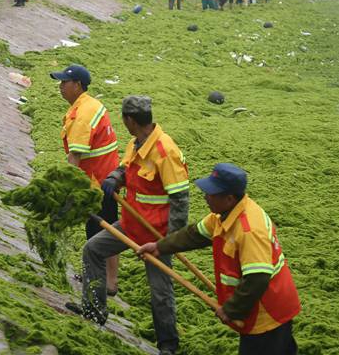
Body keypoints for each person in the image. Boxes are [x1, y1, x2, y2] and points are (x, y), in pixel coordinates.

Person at [136, 163, 302, 355]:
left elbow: (258, 278)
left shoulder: (249, 230)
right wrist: (159, 247)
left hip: (268, 313)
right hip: (255, 308)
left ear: (229, 198)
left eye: (211, 193)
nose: (205, 197)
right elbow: (194, 234)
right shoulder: (222, 216)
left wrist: (231, 309)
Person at [73, 95, 189, 355]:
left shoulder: (165, 151)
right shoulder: (136, 144)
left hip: (157, 234)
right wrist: (115, 178)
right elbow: (126, 169)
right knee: (93, 249)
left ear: (130, 121)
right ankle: (94, 311)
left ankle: (168, 345)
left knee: (160, 290)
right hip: (131, 223)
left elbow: (181, 200)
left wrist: (168, 242)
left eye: (124, 119)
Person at [51, 64, 122, 297]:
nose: (60, 87)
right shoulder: (88, 105)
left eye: (64, 83)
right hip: (104, 177)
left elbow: (76, 155)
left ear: (77, 85)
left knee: (103, 232)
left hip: (99, 183)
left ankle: (108, 282)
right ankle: (99, 276)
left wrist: (67, 189)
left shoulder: (83, 114)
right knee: (101, 229)